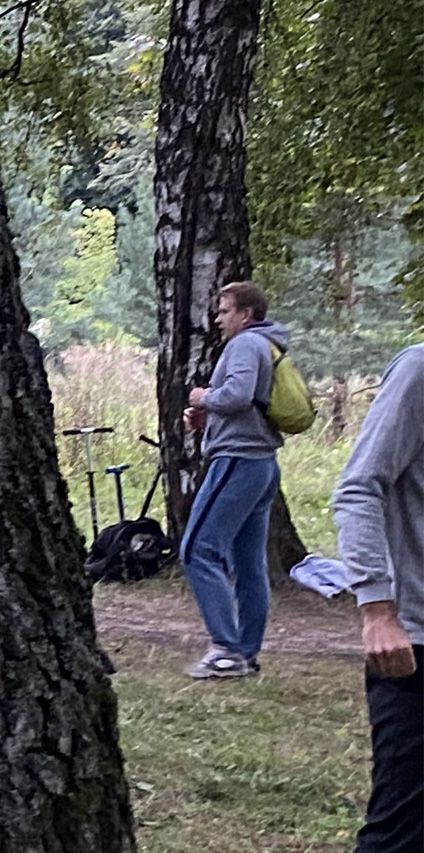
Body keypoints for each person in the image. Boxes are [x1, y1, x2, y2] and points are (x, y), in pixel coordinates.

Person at [290, 342, 424, 853]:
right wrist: (377, 605)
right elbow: (357, 486)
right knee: (394, 848)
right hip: (412, 646)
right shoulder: (422, 369)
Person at [180, 280, 290, 680]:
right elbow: (248, 402)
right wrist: (210, 418)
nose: (218, 318)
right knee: (248, 563)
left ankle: (226, 650)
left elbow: (238, 395)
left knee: (197, 549)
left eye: (224, 311)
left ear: (246, 314)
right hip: (262, 466)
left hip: (238, 462)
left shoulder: (245, 344)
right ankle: (246, 651)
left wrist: (202, 398)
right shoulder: (268, 345)